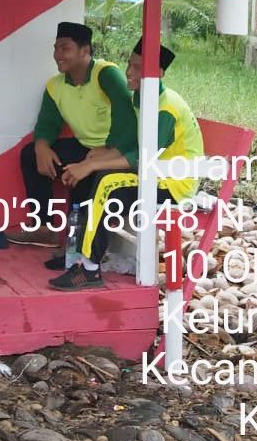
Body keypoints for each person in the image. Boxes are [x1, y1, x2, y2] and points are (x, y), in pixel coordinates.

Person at [48, 37, 204, 291]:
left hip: (173, 185)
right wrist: (99, 156)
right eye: (130, 64)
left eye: (138, 68)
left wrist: (93, 166)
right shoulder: (142, 98)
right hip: (154, 175)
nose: (129, 73)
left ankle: (88, 269)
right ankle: (79, 254)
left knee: (106, 181)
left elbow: (144, 157)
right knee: (96, 171)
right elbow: (134, 144)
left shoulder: (165, 108)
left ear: (158, 74)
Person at [17, 21, 138, 266]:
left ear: (85, 51)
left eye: (65, 48)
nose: (57, 55)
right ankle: (43, 228)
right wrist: (42, 146)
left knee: (87, 181)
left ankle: (86, 250)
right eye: (56, 48)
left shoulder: (106, 74)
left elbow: (128, 117)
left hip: (115, 152)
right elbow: (47, 123)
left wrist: (109, 150)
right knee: (30, 153)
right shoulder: (55, 86)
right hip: (85, 149)